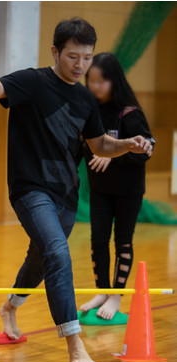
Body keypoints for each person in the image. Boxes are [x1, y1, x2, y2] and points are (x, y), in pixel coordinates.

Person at [0, 18, 153, 362]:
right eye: (73, 57)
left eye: (87, 58)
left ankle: (10, 307)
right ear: (55, 52)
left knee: (41, 259)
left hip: (66, 197)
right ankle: (75, 345)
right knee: (58, 254)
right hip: (30, 190)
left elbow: (100, 145)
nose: (80, 66)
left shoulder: (84, 99)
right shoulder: (33, 82)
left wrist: (128, 144)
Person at [79, 52, 154, 319]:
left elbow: (145, 150)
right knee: (98, 239)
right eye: (92, 81)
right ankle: (102, 290)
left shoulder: (130, 113)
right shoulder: (90, 110)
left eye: (101, 81)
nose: (95, 86)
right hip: (100, 189)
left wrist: (114, 156)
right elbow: (85, 144)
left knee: (122, 241)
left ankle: (116, 296)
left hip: (128, 191)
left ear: (114, 81)